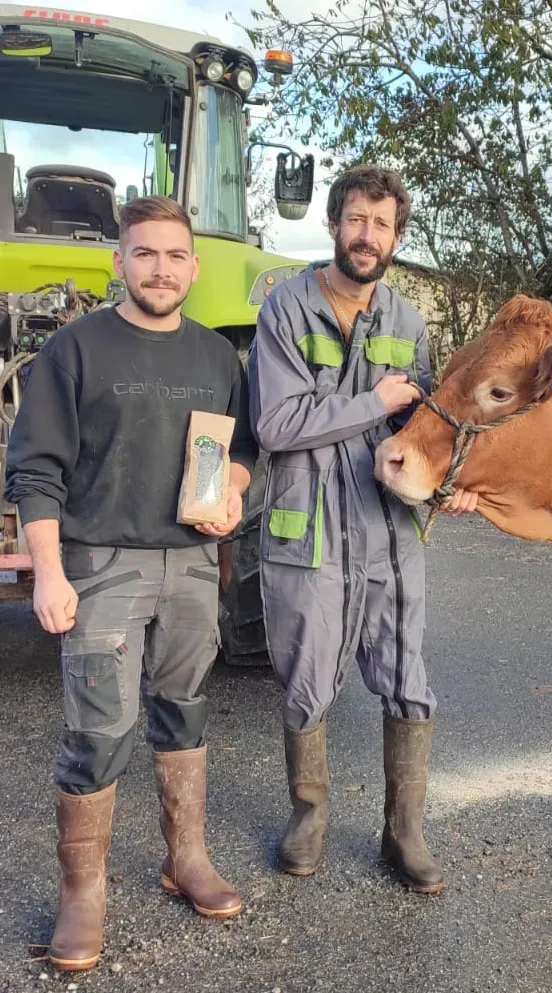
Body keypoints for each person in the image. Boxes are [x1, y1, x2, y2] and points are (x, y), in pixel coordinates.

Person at [3, 195, 257, 971]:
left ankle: (187, 859)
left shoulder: (218, 358)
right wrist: (47, 571)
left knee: (184, 710)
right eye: (144, 254)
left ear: (194, 265)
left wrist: (235, 491)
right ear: (119, 261)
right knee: (99, 730)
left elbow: (244, 450)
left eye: (175, 256)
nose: (160, 269)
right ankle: (84, 893)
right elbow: (35, 471)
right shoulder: (74, 352)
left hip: (188, 565)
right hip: (101, 564)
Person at [248, 164, 476, 894]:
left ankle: (403, 832)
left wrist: (451, 489)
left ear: (397, 237)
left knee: (409, 679)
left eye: (381, 224)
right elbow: (277, 424)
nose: (366, 234)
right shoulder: (283, 309)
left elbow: (429, 432)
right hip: (308, 529)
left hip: (388, 534)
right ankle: (308, 817)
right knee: (307, 679)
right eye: (355, 218)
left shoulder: (409, 323)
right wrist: (373, 401)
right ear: (333, 224)